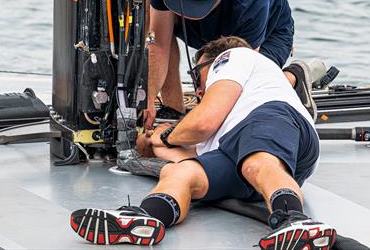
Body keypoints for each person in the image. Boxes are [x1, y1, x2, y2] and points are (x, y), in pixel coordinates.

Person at [70, 36, 335, 249]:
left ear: (211, 63)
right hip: (244, 157)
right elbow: (182, 156)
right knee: (182, 172)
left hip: (272, 119)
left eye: (198, 77)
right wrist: (152, 143)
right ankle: (146, 217)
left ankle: (294, 219)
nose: (197, 89)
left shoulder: (233, 57)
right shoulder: (226, 124)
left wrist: (164, 135)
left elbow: (202, 123)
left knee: (257, 162)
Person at [145, 0, 315, 128]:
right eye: (184, 2)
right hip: (208, 25)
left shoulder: (252, 0)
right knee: (148, 2)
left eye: (196, 6)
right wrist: (149, 99)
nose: (187, 13)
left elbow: (241, 74)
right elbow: (158, 45)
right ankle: (173, 108)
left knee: (244, 98)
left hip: (270, 34)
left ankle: (293, 77)